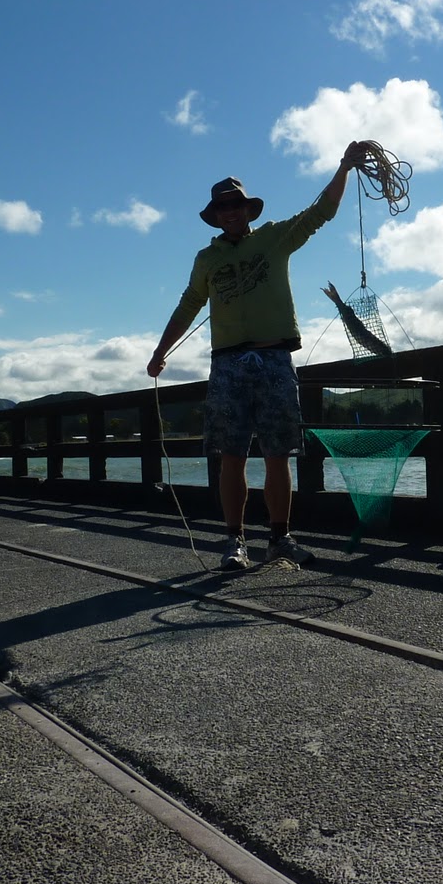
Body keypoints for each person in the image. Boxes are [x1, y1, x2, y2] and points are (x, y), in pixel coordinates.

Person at [148, 142, 366, 570]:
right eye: (222, 207)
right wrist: (160, 351)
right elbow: (188, 303)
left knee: (278, 454)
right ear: (215, 215)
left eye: (237, 205)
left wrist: (343, 166)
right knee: (232, 456)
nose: (230, 212)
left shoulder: (275, 238)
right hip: (227, 364)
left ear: (249, 210)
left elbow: (321, 211)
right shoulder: (206, 259)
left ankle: (280, 538)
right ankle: (235, 542)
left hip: (274, 360)